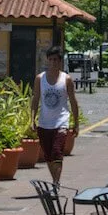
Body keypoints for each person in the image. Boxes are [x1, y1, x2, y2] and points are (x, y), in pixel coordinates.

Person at [32, 46, 80, 186]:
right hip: (44, 122)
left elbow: (73, 101)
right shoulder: (40, 79)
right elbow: (35, 99)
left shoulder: (66, 79)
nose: (53, 62)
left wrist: (76, 123)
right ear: (47, 60)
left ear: (60, 62)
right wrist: (32, 119)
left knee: (57, 152)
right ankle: (55, 180)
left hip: (61, 122)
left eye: (56, 60)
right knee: (48, 155)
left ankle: (56, 183)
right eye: (50, 59)